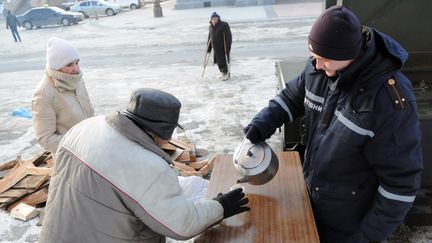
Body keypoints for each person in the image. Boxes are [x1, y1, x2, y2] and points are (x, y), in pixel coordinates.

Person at [243, 6, 422, 243]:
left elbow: (401, 185)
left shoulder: (388, 100)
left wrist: (366, 237)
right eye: (314, 55)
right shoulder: (320, 68)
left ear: (349, 54)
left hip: (349, 222)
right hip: (312, 200)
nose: (316, 65)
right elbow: (291, 97)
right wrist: (262, 123)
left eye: (324, 59)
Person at [39, 88, 250, 242]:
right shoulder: (146, 165)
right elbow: (182, 225)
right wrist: (221, 206)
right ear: (164, 133)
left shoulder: (85, 127)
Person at [32, 37, 94, 156]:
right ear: (57, 67)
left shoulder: (77, 80)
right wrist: (79, 143)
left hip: (90, 149)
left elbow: (89, 112)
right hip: (70, 157)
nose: (76, 69)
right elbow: (46, 139)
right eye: (69, 65)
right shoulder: (44, 93)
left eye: (77, 62)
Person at [207, 12, 232, 81]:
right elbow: (209, 38)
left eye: (216, 19)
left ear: (218, 19)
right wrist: (208, 49)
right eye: (213, 19)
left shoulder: (224, 25)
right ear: (211, 20)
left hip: (223, 47)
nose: (214, 20)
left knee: (224, 60)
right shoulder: (210, 27)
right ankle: (222, 73)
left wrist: (227, 47)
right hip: (215, 48)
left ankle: (226, 73)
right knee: (218, 61)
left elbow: (229, 37)